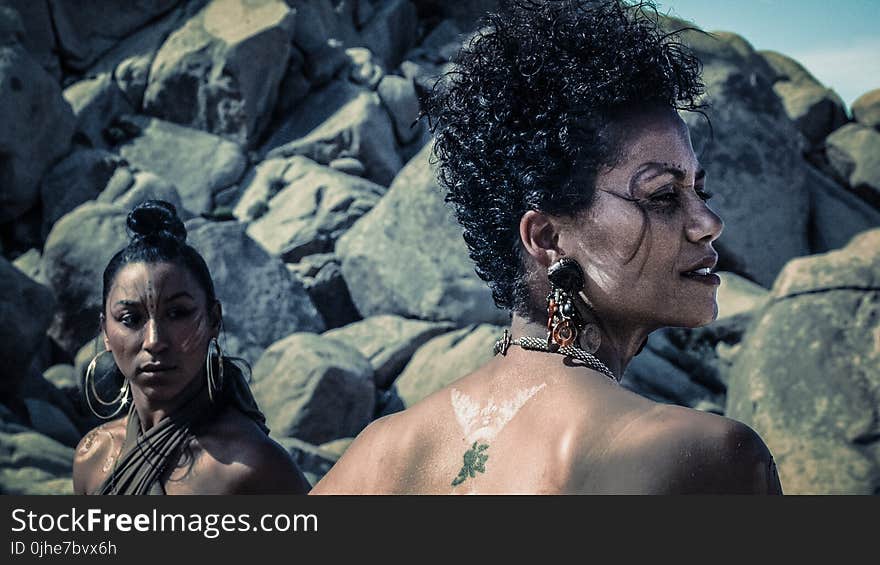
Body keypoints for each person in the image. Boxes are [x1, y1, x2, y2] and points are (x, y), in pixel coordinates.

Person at [311, 0, 782, 494]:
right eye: (663, 195)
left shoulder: (377, 453)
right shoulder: (706, 458)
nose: (709, 223)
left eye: (699, 192)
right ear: (546, 238)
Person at [73, 200, 311, 494]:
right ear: (105, 332)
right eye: (130, 318)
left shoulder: (249, 464)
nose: (154, 341)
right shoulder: (93, 456)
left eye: (177, 314)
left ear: (213, 320)